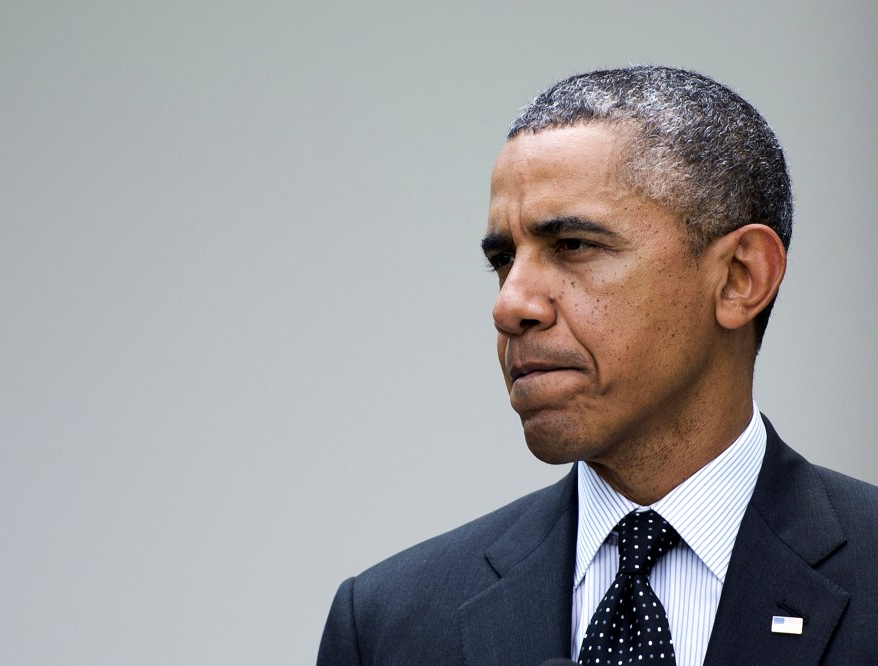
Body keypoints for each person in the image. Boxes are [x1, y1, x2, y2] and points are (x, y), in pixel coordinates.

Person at [316, 66, 878, 666]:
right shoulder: (389, 624)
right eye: (504, 261)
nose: (510, 305)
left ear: (740, 278)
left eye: (574, 246)